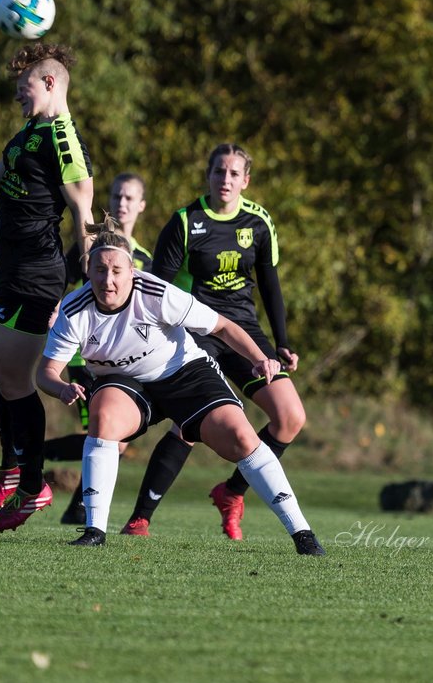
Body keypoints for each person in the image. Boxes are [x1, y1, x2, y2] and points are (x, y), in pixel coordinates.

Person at [36, 216, 324, 554]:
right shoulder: (74, 309)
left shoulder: (157, 293)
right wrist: (61, 388)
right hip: (127, 383)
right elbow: (46, 373)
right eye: (100, 270)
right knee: (104, 417)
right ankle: (94, 531)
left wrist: (259, 358)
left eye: (116, 271)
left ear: (132, 271)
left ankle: (303, 535)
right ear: (88, 269)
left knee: (241, 438)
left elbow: (222, 327)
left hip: (184, 373)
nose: (108, 280)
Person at [0, 43, 95, 531]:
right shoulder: (29, 132)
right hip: (7, 269)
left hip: (36, 274)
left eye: (23, 87)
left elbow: (83, 213)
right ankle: (13, 464)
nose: (17, 96)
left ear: (49, 83)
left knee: (15, 381)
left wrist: (81, 281)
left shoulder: (62, 138)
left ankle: (33, 485)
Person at [120, 143, 305, 539]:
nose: (226, 180)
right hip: (196, 330)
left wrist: (283, 342)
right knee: (187, 426)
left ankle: (231, 491)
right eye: (219, 172)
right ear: (209, 175)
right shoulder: (186, 221)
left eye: (234, 174)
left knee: (290, 418)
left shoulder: (258, 222)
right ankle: (140, 518)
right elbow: (158, 286)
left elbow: (270, 286)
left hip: (243, 332)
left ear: (246, 180)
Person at [47, 172, 153, 525]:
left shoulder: (145, 259)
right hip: (84, 354)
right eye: (116, 196)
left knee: (112, 435)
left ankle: (35, 459)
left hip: (124, 357)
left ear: (141, 205)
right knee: (107, 434)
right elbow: (61, 282)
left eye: (129, 197)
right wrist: (53, 310)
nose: (121, 203)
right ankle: (75, 504)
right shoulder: (87, 247)